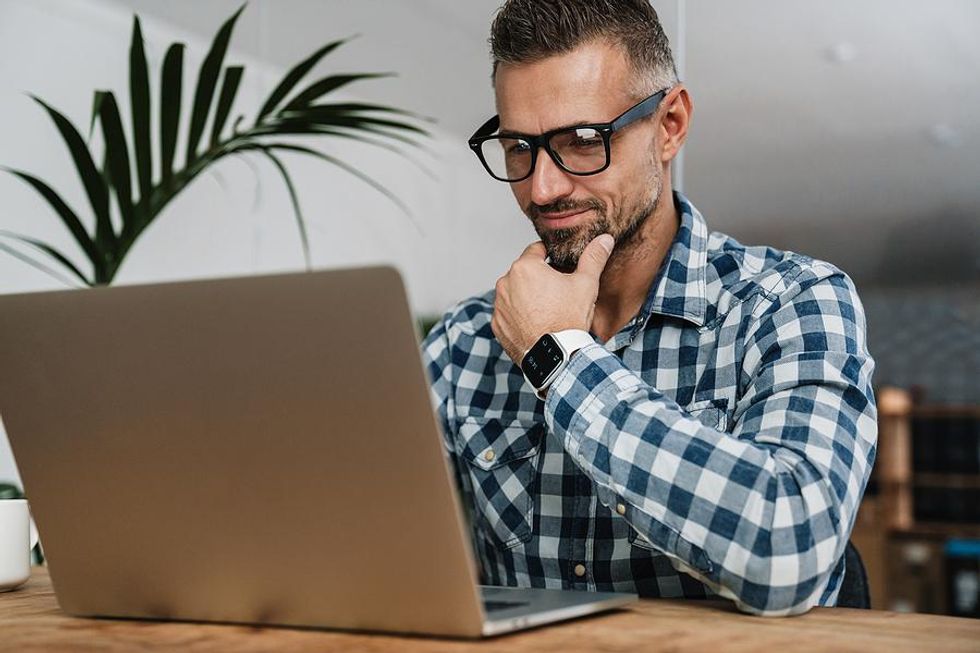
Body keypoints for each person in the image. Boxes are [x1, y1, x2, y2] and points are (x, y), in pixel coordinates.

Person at [422, 0, 877, 616]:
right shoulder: (464, 342)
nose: (542, 188)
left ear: (670, 125)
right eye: (518, 147)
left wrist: (559, 361)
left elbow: (789, 551)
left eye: (583, 141)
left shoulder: (795, 302)